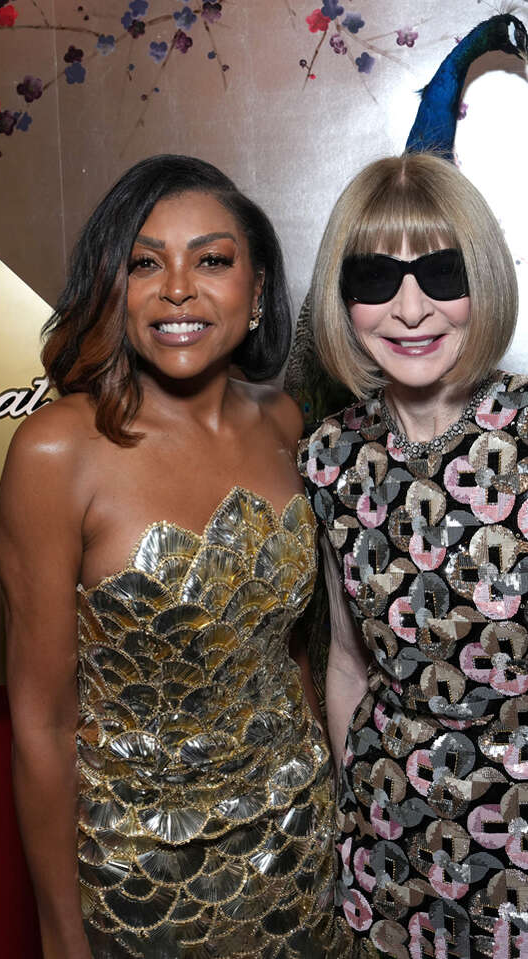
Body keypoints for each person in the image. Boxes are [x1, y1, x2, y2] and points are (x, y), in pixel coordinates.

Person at [0, 155, 352, 958]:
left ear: (257, 291)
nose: (178, 287)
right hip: (140, 880)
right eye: (145, 262)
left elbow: (288, 654)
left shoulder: (283, 422)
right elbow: (42, 723)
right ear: (112, 289)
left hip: (300, 846)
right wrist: (59, 932)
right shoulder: (56, 451)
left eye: (212, 260)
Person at [298, 151, 526, 957]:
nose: (408, 309)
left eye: (438, 273)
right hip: (390, 837)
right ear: (343, 297)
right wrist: (352, 806)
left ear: (482, 281)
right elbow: (348, 663)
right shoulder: (330, 456)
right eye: (374, 280)